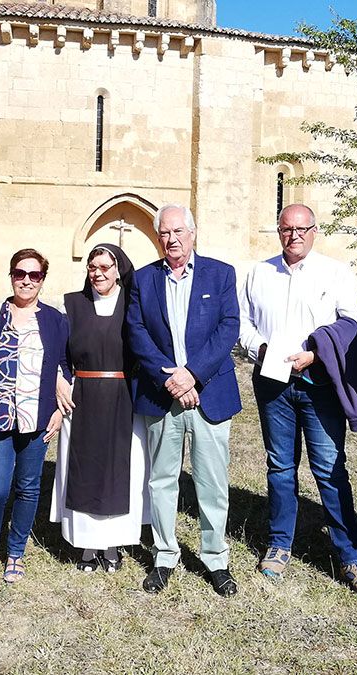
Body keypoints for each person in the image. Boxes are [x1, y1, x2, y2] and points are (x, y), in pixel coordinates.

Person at [237, 204, 357, 598]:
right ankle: (280, 543)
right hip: (274, 384)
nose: (294, 235)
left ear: (315, 231)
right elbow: (243, 322)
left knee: (330, 469)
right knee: (280, 467)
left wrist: (317, 354)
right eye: (286, 229)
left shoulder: (335, 272)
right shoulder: (259, 273)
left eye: (302, 229)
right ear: (278, 231)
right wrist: (260, 348)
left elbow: (353, 324)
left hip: (319, 383)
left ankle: (350, 556)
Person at [127, 204, 242, 597]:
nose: (171, 239)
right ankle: (164, 554)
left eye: (178, 232)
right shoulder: (143, 280)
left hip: (209, 392)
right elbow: (136, 332)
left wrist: (192, 374)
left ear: (192, 233)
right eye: (164, 233)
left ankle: (215, 558)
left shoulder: (220, 273)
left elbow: (229, 329)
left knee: (212, 480)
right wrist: (172, 378)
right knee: (162, 479)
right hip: (162, 395)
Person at [0, 249, 70, 585]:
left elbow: (64, 367)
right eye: (20, 273)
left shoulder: (55, 320)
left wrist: (58, 411)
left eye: (34, 275)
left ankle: (17, 553)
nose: (26, 280)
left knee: (28, 488)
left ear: (42, 279)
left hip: (37, 421)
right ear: (11, 275)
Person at [49, 244, 149, 572]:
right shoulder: (73, 305)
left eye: (105, 267)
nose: (98, 273)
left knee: (120, 471)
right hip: (82, 397)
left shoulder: (133, 305)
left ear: (118, 269)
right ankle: (87, 548)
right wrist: (60, 379)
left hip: (123, 397)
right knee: (83, 469)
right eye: (93, 267)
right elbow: (58, 353)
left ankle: (113, 545)